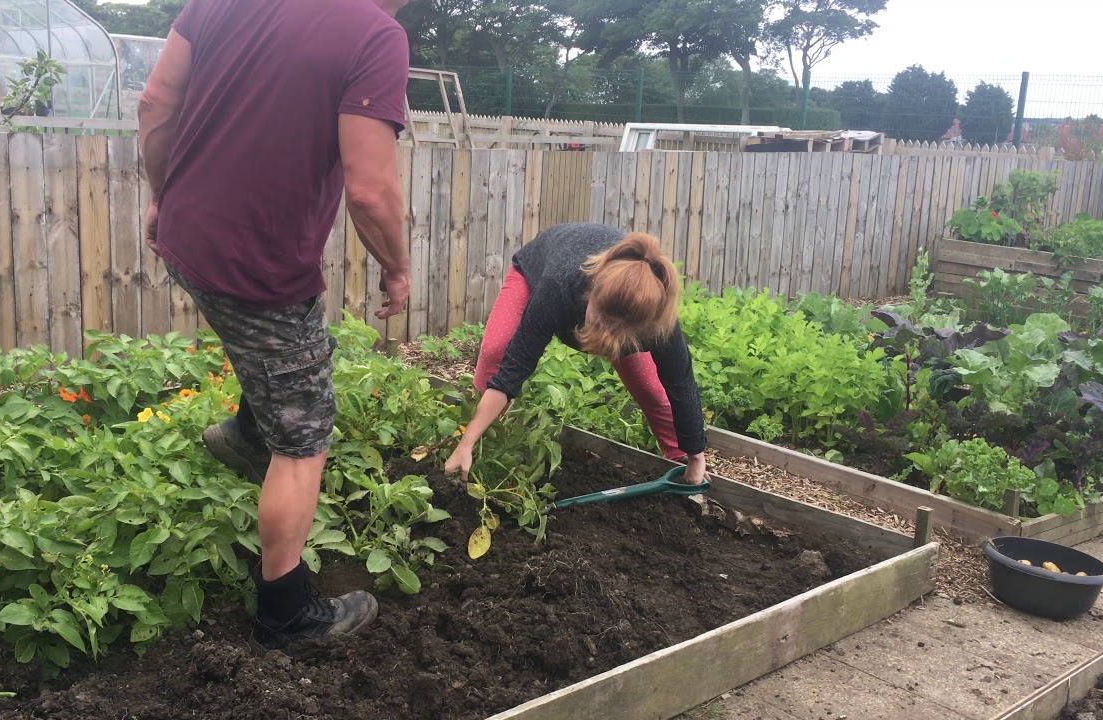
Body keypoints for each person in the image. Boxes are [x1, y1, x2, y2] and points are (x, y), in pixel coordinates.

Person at [137, 0, 412, 652]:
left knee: (285, 361)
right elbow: (370, 191)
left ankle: (241, 432)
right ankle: (287, 613)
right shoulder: (375, 35)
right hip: (258, 270)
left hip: (190, 240)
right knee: (305, 437)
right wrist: (397, 269)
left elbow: (154, 101)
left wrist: (163, 193)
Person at [445, 223, 708, 485]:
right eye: (597, 320)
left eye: (613, 333)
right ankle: (474, 443)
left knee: (649, 388)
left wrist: (696, 458)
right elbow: (513, 370)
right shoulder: (559, 286)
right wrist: (467, 442)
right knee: (496, 351)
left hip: (616, 310)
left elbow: (680, 383)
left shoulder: (658, 325)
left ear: (639, 328)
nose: (599, 334)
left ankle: (678, 458)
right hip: (538, 269)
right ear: (592, 291)